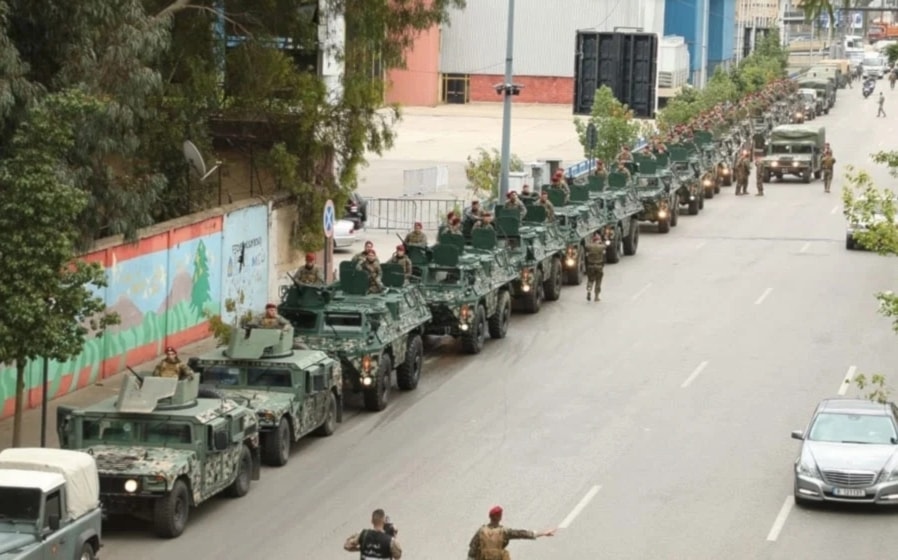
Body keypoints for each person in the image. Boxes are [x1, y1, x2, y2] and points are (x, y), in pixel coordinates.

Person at [466, 506, 555, 560]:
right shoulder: (504, 531)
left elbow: (472, 549)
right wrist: (543, 533)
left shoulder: (481, 531)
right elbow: (522, 534)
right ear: (499, 517)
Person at [584, 231, 606, 302]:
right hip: (599, 267)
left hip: (590, 266)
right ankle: (596, 297)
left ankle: (589, 290)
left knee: (590, 280)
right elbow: (605, 246)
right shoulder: (601, 247)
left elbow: (586, 246)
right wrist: (601, 242)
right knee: (598, 281)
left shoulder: (589, 246)